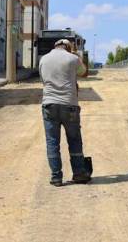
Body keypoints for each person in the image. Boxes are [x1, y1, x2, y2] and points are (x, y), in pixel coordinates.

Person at [39, 39, 90, 186]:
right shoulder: (72, 58)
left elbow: (44, 81)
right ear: (68, 47)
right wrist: (76, 55)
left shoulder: (44, 59)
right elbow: (84, 73)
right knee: (74, 141)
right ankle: (79, 173)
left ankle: (56, 177)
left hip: (49, 105)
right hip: (69, 105)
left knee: (52, 142)